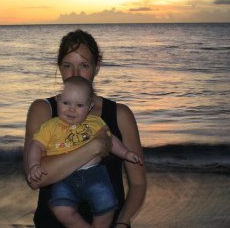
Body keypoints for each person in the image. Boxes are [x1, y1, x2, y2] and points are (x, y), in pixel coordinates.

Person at [24, 29, 146, 228]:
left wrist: (123, 222)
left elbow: (138, 184)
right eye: (67, 66)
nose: (74, 74)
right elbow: (35, 179)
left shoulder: (120, 114)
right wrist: (95, 146)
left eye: (84, 66)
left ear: (97, 67)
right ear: (59, 68)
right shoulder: (43, 110)